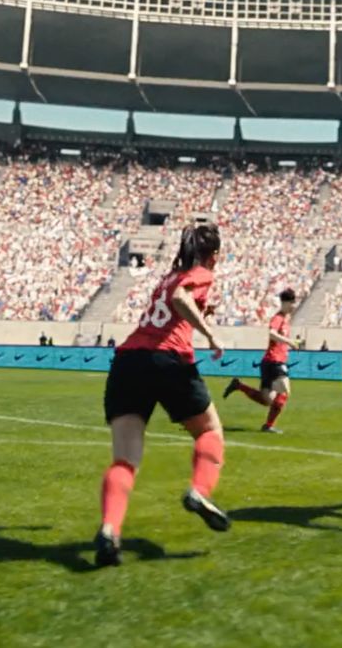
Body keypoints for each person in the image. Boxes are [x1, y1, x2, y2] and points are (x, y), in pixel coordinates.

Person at [94, 224, 230, 568]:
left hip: (128, 361)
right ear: (214, 254)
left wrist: (200, 313)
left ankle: (110, 529)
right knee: (210, 430)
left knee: (125, 459)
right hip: (167, 360)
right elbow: (181, 299)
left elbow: (172, 305)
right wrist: (211, 334)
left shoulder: (170, 275)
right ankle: (199, 491)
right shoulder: (201, 272)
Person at [223, 288, 296, 433]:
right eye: (293, 303)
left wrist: (286, 346)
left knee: (266, 400)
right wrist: (289, 341)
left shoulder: (286, 320)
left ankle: (239, 385)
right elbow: (271, 333)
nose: (294, 306)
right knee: (285, 391)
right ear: (286, 303)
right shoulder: (278, 318)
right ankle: (268, 426)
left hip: (269, 362)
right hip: (275, 361)